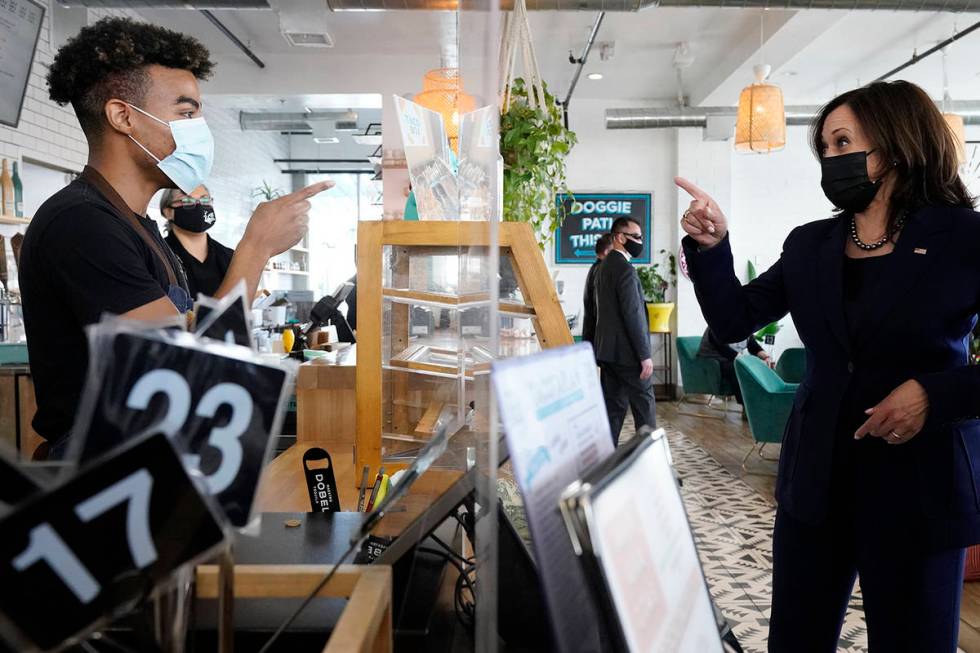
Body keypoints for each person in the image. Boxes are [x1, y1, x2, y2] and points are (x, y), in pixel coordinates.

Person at [677, 80, 980, 651]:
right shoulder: (809, 244)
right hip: (816, 483)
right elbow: (735, 319)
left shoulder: (965, 238)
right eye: (825, 149)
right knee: (795, 640)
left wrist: (935, 394)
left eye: (844, 143)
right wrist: (714, 248)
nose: (832, 160)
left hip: (919, 485)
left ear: (893, 144)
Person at [19, 17, 332, 455]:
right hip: (107, 471)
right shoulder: (81, 225)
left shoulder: (134, 223)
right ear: (122, 116)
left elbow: (188, 340)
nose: (198, 129)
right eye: (185, 114)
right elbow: (182, 375)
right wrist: (256, 247)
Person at [593, 217, 655, 444]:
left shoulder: (603, 267)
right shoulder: (625, 270)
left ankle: (605, 464)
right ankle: (651, 458)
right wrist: (645, 355)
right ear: (620, 238)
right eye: (636, 237)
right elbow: (633, 314)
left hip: (609, 353)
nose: (640, 241)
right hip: (629, 356)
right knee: (644, 409)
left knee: (613, 411)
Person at [161, 185, 233, 299]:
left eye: (205, 200)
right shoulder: (157, 255)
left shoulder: (230, 257)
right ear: (168, 212)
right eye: (188, 201)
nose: (199, 206)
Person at [697, 327, 771, 404]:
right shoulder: (717, 324)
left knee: (757, 367)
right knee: (739, 369)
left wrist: (766, 357)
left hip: (731, 360)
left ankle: (760, 402)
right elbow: (723, 350)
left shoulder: (746, 326)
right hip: (712, 361)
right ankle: (748, 405)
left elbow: (754, 346)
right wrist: (746, 361)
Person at [582, 232, 614, 350]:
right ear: (607, 252)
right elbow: (600, 307)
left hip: (593, 335)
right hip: (599, 338)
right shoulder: (602, 271)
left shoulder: (595, 268)